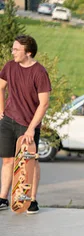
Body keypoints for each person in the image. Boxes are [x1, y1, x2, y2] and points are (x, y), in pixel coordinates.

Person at [0, 35, 51, 214]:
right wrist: (1, 110)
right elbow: (1, 86)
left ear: (28, 52)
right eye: (13, 49)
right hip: (8, 120)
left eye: (16, 49)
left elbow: (44, 103)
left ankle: (32, 200)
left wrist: (31, 128)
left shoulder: (39, 72)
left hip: (28, 124)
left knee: (29, 162)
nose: (12, 52)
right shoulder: (10, 66)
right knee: (7, 160)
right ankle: (3, 198)